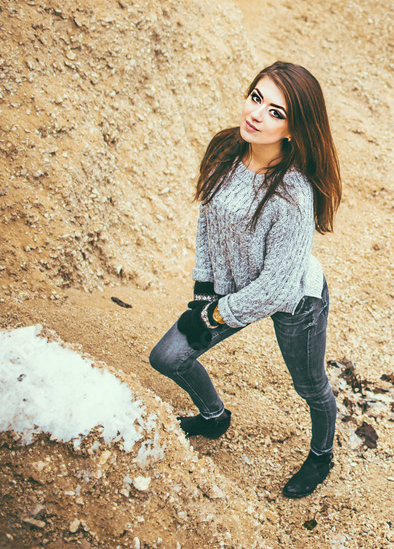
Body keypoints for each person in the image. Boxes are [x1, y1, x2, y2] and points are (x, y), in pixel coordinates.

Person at [149, 61, 341, 499]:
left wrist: (215, 314)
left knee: (309, 385)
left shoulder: (293, 196)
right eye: (257, 98)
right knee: (167, 358)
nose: (257, 114)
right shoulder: (224, 148)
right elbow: (208, 223)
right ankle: (215, 418)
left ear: (294, 129)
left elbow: (274, 288)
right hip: (230, 292)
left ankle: (321, 453)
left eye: (277, 112)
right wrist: (204, 291)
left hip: (294, 300)